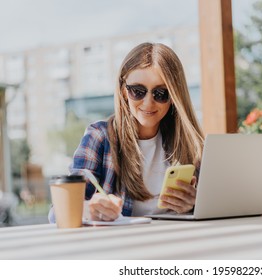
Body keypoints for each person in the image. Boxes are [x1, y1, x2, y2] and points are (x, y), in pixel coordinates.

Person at [49, 42, 204, 222]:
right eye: (138, 91)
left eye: (161, 93)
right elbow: (57, 213)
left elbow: (216, 207)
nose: (148, 103)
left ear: (174, 97)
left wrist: (194, 204)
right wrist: (89, 210)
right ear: (124, 91)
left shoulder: (192, 144)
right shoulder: (99, 137)